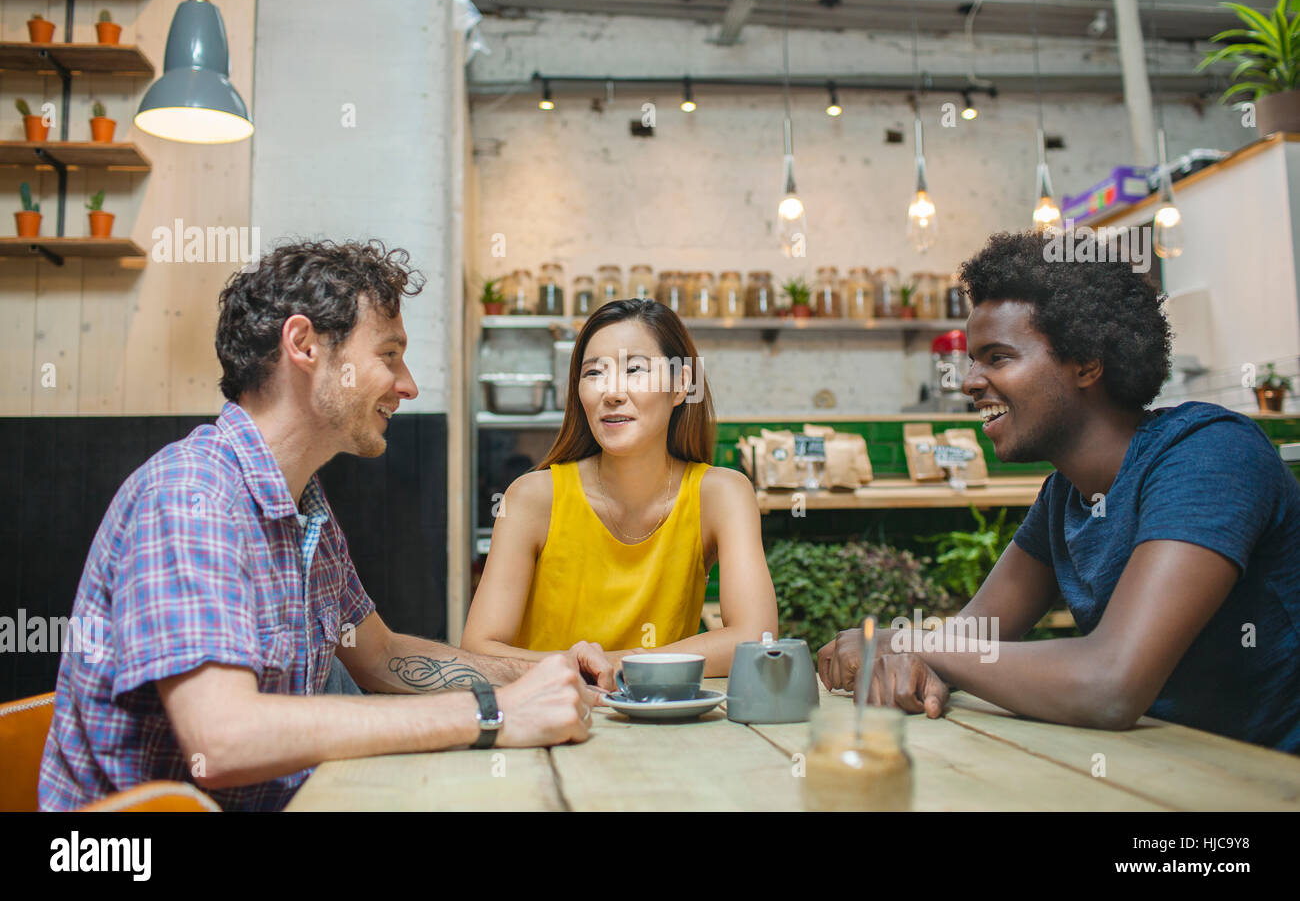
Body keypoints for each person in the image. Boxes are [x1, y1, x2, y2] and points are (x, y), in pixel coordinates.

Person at [39, 240, 596, 811]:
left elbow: (379, 656)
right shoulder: (191, 497)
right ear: (303, 344)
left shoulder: (303, 501)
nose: (408, 386)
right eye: (389, 354)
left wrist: (540, 674)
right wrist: (493, 713)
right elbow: (224, 739)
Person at [818, 230, 1300, 753]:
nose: (969, 382)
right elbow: (973, 637)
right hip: (1159, 771)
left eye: (997, 357)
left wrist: (917, 645)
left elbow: (1109, 683)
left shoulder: (1209, 453)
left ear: (1087, 363)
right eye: (973, 359)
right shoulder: (1064, 496)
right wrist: (922, 655)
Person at [462, 298, 778, 687]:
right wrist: (595, 669)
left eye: (634, 370)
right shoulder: (531, 498)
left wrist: (609, 664)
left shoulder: (722, 494)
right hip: (548, 727)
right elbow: (479, 649)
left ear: (681, 385)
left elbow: (756, 637)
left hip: (664, 724)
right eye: (594, 373)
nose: (611, 393)